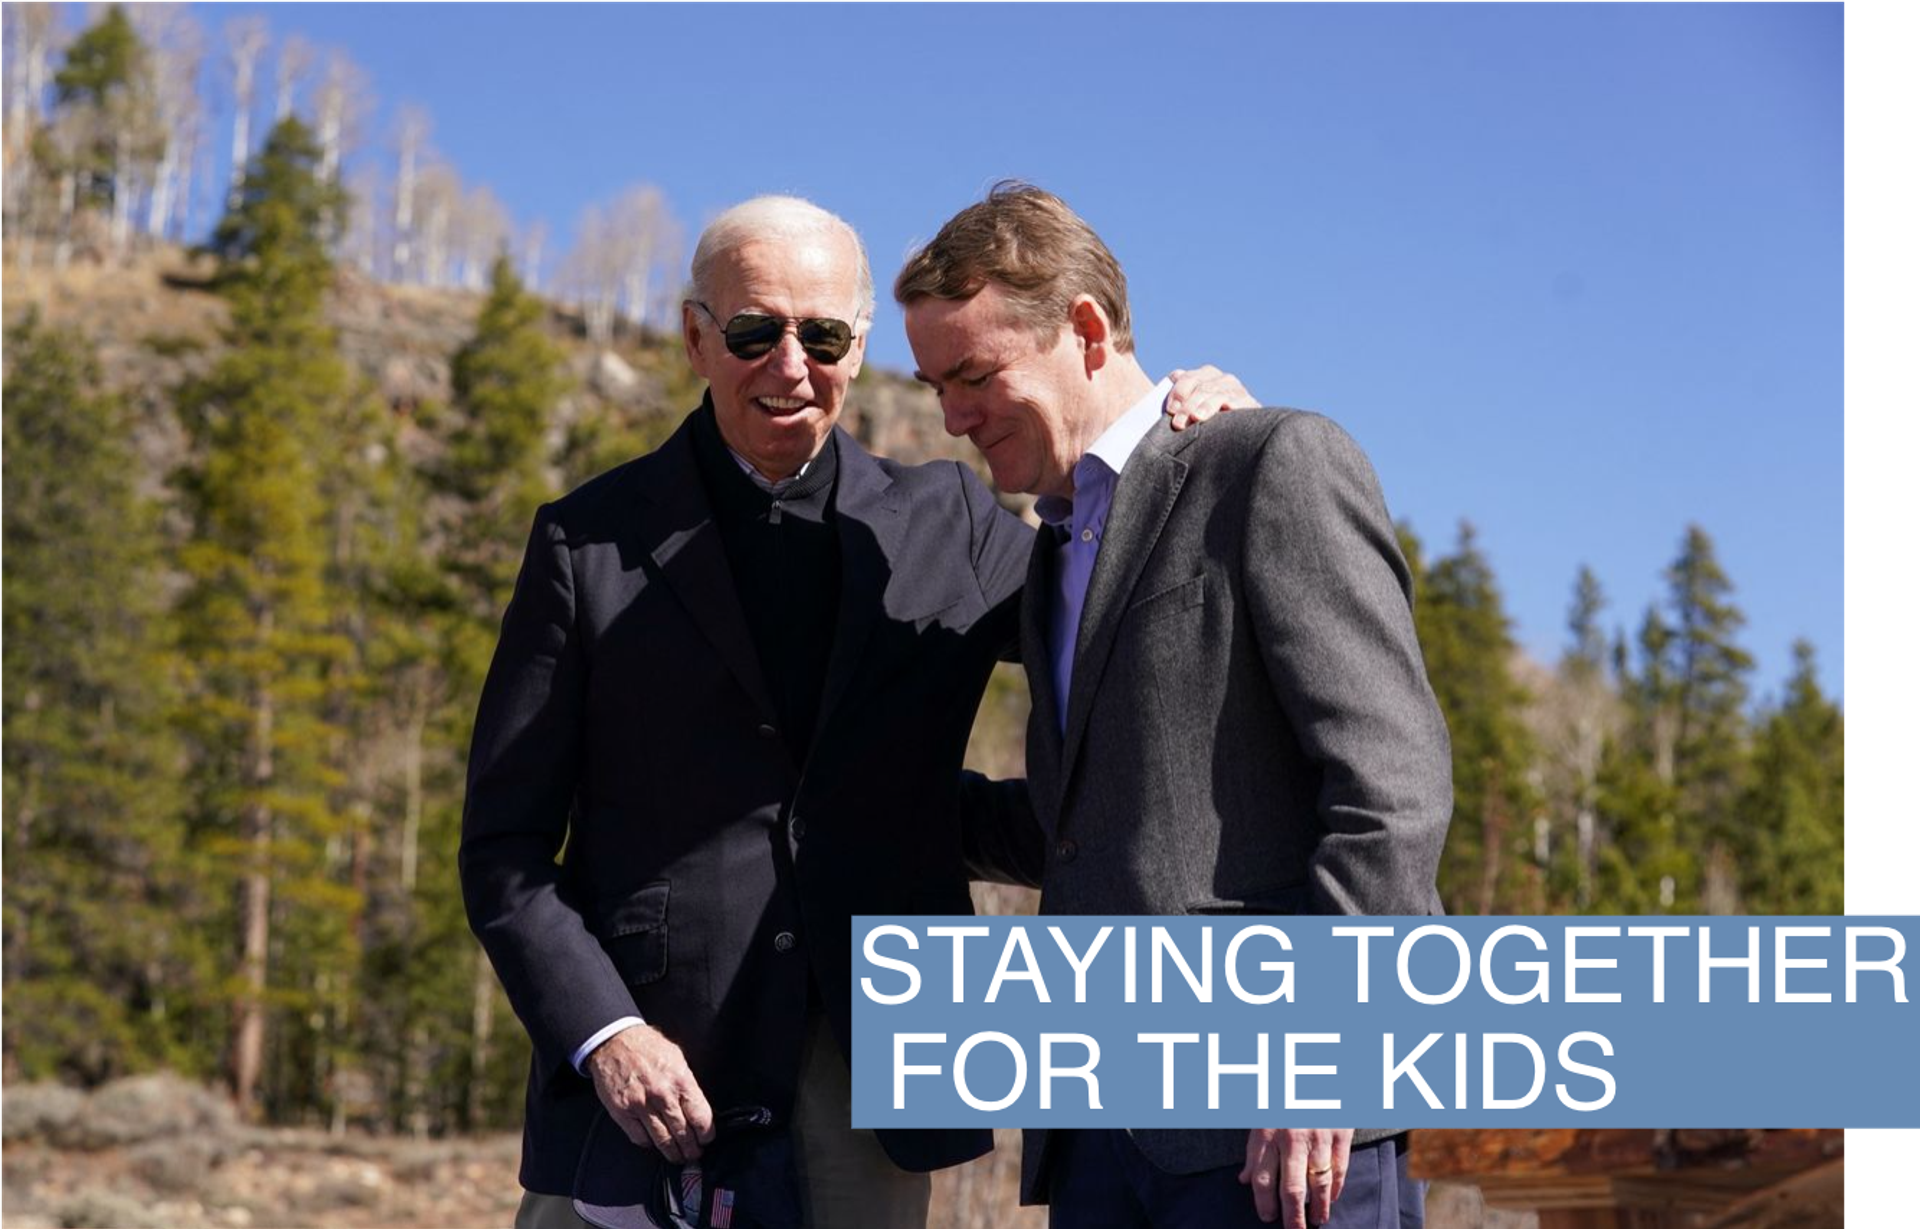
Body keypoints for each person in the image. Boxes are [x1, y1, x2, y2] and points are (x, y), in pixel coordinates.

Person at [460, 195, 1253, 1229]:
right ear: (697, 336)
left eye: (823, 334)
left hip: (886, 1069)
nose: (791, 365)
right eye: (754, 331)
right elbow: (504, 848)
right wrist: (605, 1031)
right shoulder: (585, 541)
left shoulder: (956, 522)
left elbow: (1129, 636)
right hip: (645, 1079)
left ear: (860, 342)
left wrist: (1184, 446)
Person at [897, 183, 1454, 1229]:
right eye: (935, 385)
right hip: (1103, 1138)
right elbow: (1104, 826)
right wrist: (867, 804)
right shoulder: (1052, 550)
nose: (952, 415)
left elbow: (1392, 788)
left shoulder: (1266, 462)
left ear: (1087, 330)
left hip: (1280, 1138)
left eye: (973, 374)